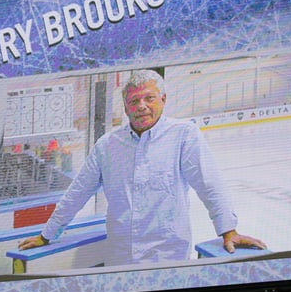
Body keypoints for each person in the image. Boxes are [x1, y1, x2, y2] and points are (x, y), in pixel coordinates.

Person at [18, 69, 266, 265]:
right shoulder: (107, 146)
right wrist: (47, 234)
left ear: (163, 100)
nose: (142, 106)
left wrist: (228, 230)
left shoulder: (183, 135)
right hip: (120, 258)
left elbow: (210, 184)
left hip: (168, 257)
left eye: (149, 98)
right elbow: (78, 192)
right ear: (125, 107)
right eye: (134, 101)